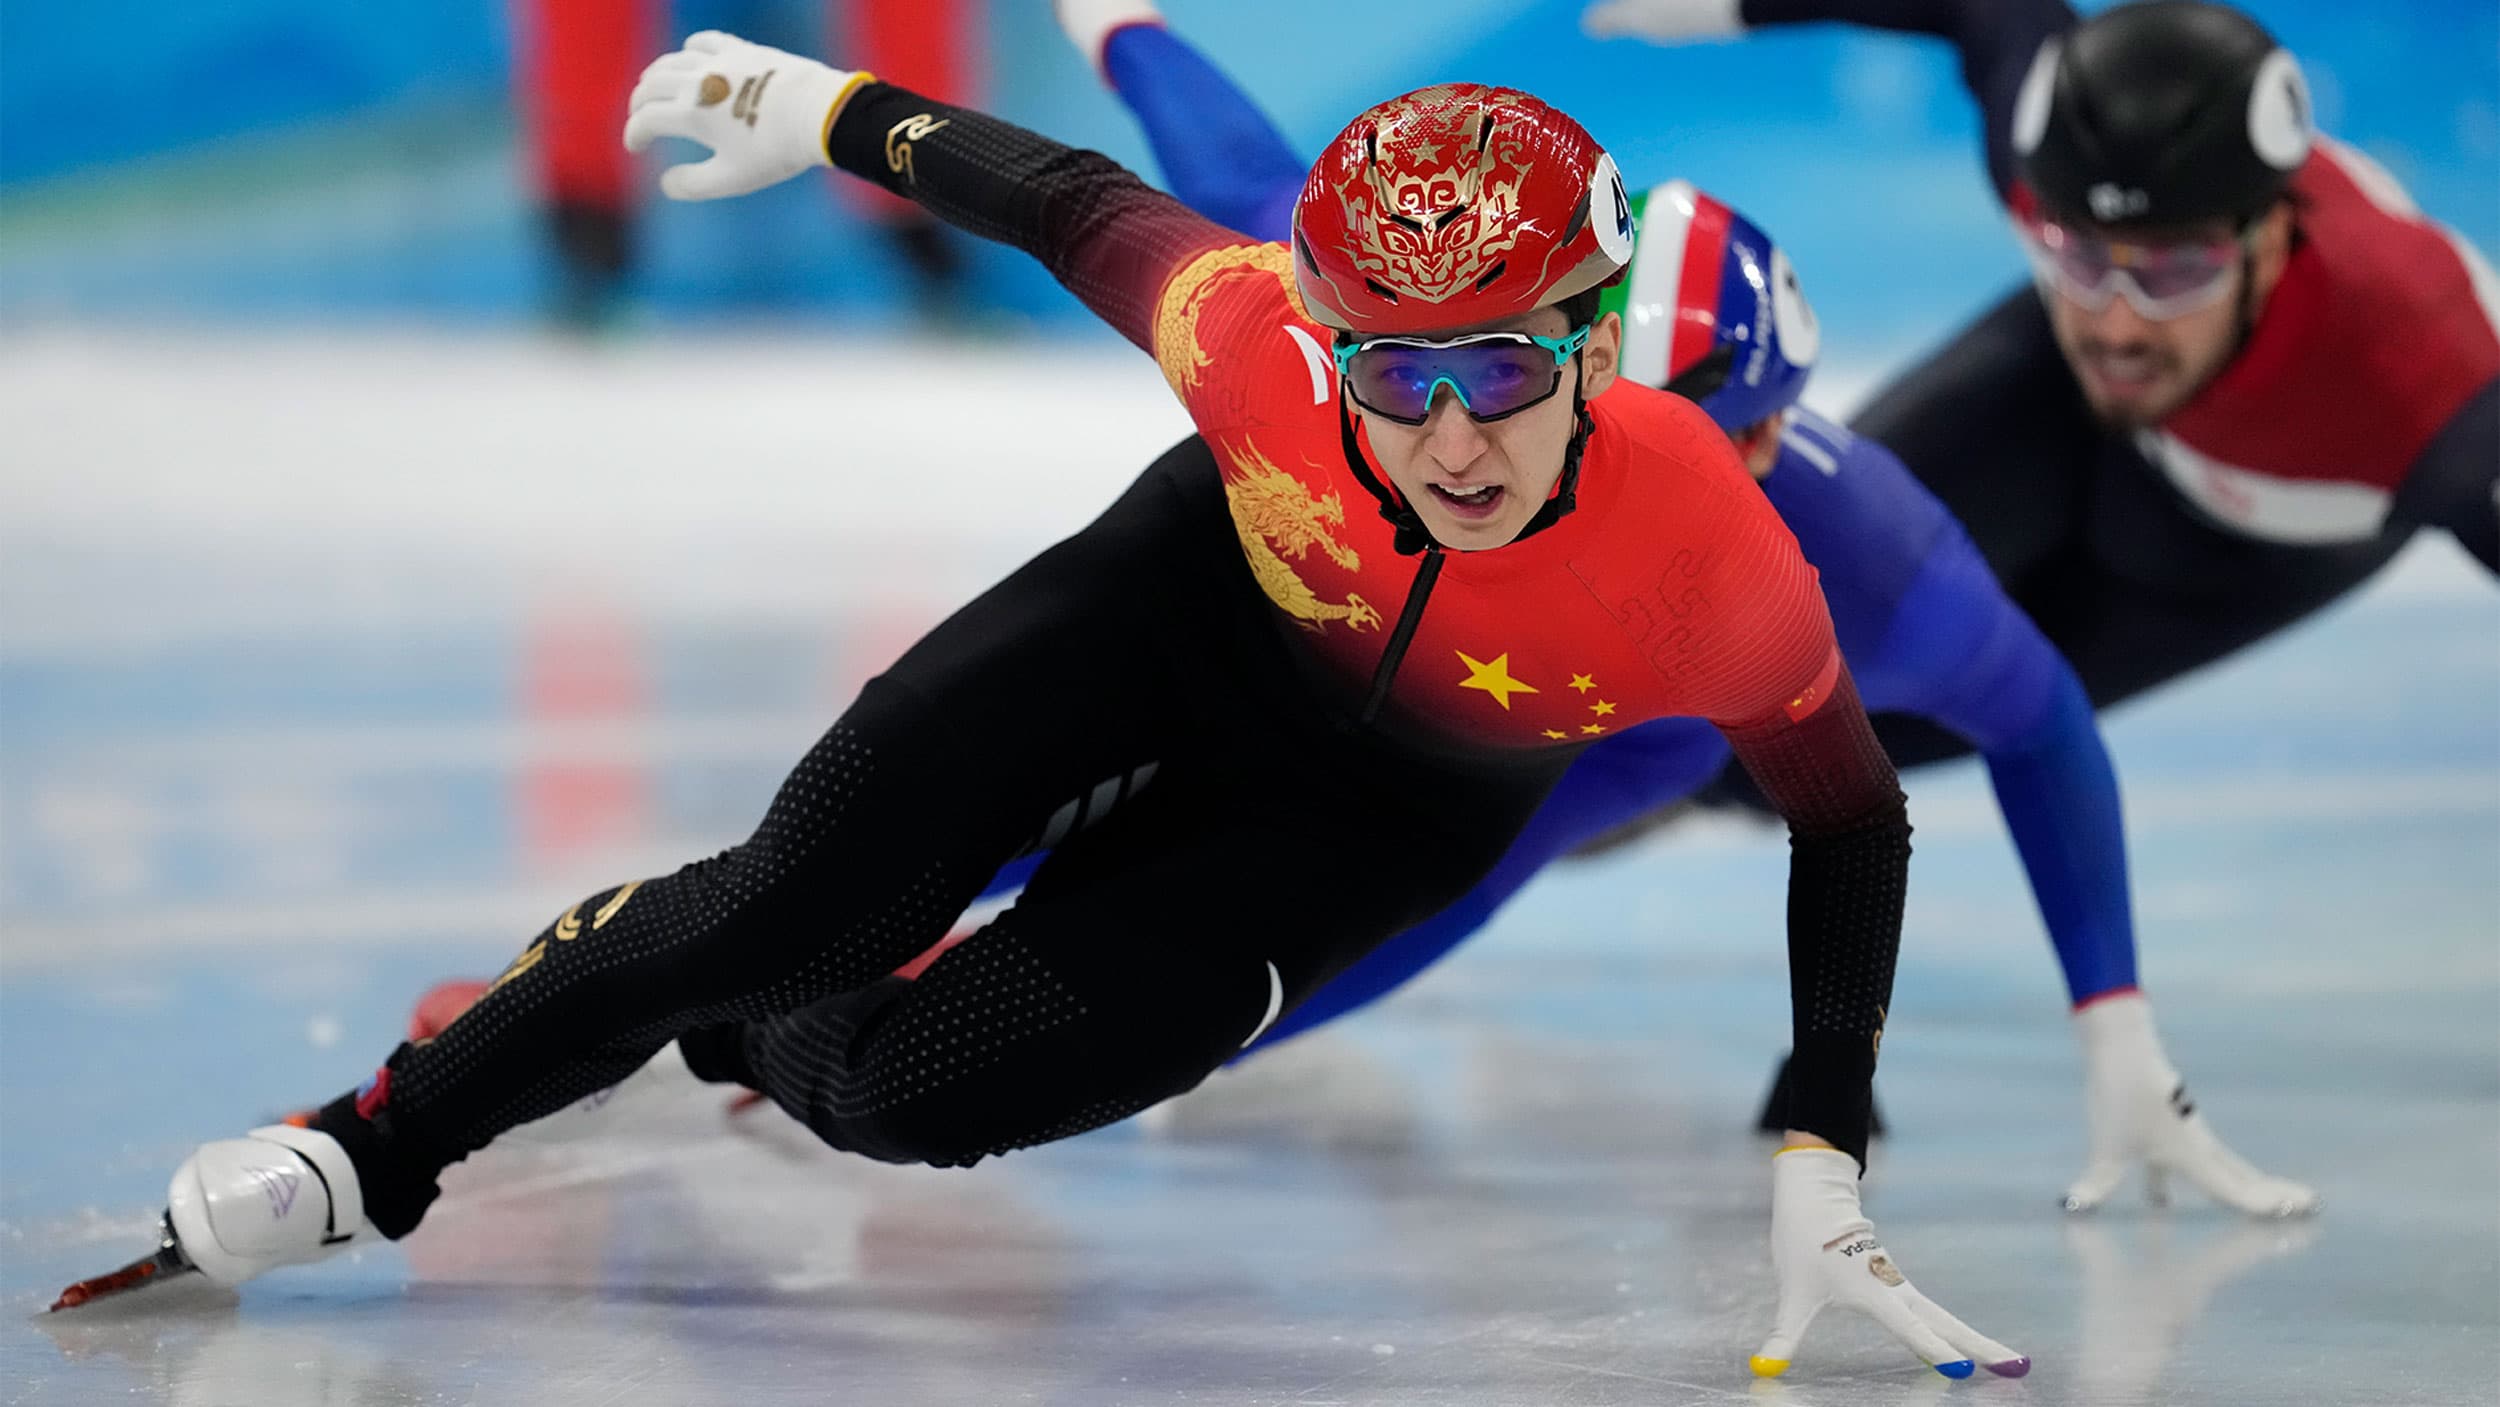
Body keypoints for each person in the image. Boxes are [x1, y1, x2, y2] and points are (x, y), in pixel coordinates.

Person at [63, 31, 2029, 1384]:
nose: (1442, 436)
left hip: (1373, 817)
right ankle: (367, 1144)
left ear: (1598, 344)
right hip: (1179, 605)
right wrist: (824, 106)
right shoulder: (1257, 338)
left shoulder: (1712, 551)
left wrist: (1818, 1128)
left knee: (907, 1094)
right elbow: (1065, 190)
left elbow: (1849, 813)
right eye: (1388, 375)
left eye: (1502, 374)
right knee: (779, 895)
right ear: (1319, 340)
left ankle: (723, 1009)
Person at [985, 0, 2317, 1219]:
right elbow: (1238, 176)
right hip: (1422, 609)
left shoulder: (1879, 564)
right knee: (1099, 773)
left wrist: (2118, 1022)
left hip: (1627, 722)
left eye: (1691, 445)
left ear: (1773, 437)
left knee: (1389, 891)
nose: (1605, 487)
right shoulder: (1433, 350)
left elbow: (2042, 724)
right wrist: (1124, 27)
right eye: (1567, 413)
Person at [1579, 0, 2498, 769]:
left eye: (2176, 272)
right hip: (2062, 410)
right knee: (1771, 611)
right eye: (2079, 258)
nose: (2119, 321)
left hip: (2240, 553)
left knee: (1784, 759)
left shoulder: (2429, 391)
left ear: (2268, 242)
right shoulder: (2051, 172)